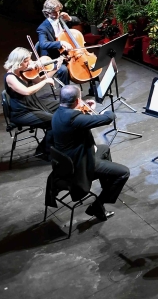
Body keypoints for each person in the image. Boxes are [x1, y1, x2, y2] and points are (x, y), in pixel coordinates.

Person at [51, 85, 129, 221]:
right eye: (80, 98)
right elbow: (108, 118)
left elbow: (78, 123)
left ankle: (107, 188)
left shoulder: (58, 113)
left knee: (104, 148)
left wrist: (85, 110)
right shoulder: (75, 119)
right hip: (80, 165)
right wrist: (98, 110)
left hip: (67, 160)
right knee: (124, 172)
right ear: (76, 101)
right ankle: (97, 206)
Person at [3, 47, 59, 157]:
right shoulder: (10, 77)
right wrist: (46, 81)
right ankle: (44, 151)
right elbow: (27, 91)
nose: (30, 63)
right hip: (22, 111)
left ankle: (61, 144)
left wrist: (55, 67)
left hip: (33, 103)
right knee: (54, 122)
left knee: (62, 105)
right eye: (26, 60)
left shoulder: (25, 71)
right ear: (18, 62)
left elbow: (40, 80)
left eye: (29, 59)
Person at [36, 0, 76, 85]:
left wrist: (69, 18)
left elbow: (78, 21)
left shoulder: (61, 20)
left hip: (67, 54)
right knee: (64, 70)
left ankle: (95, 91)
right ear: (47, 13)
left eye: (58, 11)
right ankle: (66, 95)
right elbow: (43, 44)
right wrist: (60, 43)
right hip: (53, 57)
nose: (57, 14)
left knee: (88, 63)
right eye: (54, 12)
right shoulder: (42, 28)